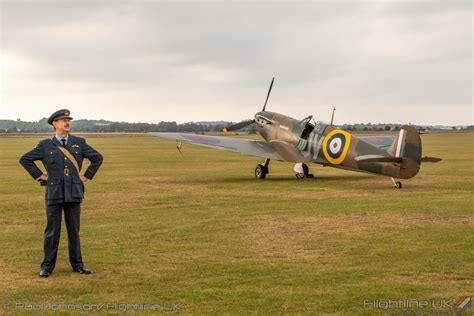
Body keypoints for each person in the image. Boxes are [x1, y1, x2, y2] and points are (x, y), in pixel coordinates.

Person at [19, 109, 103, 277]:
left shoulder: (79, 142)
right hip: (54, 192)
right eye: (63, 120)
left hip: (73, 192)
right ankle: (47, 267)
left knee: (74, 230)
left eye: (68, 119)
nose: (67, 122)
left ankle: (78, 264)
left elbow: (97, 158)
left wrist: (86, 175)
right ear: (54, 124)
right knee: (52, 231)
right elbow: (25, 159)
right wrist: (39, 175)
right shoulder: (45, 145)